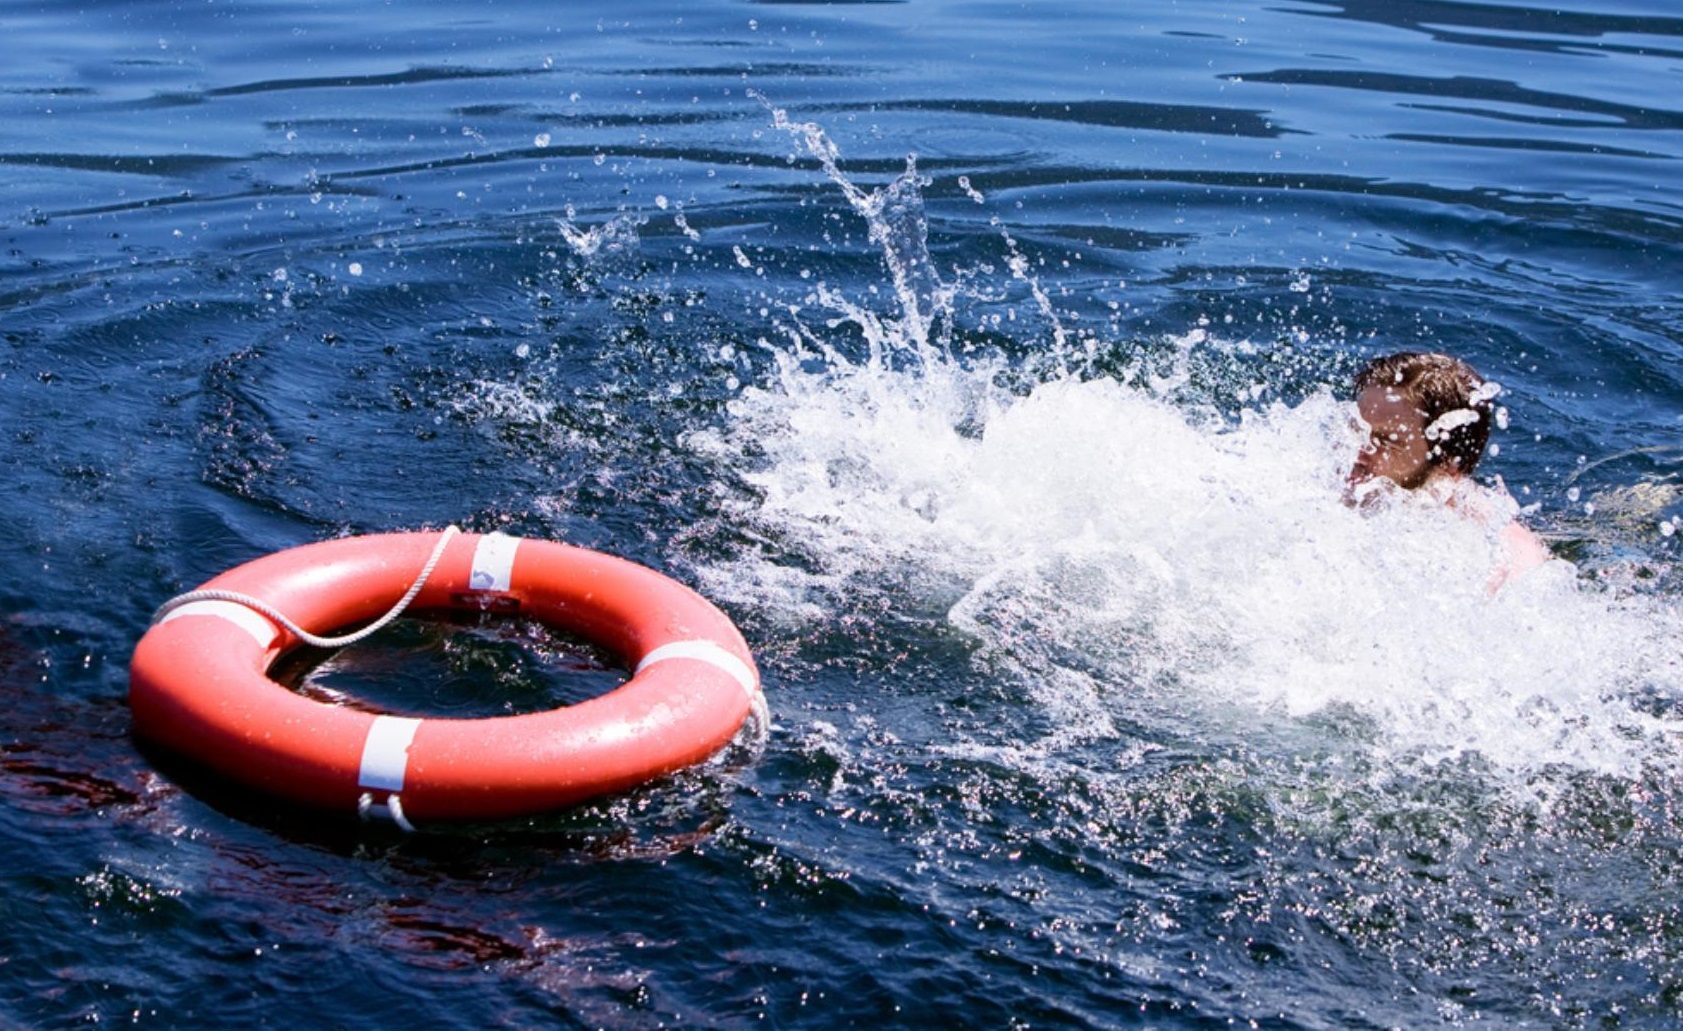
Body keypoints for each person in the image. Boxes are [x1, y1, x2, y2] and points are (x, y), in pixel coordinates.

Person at [1345, 351, 1551, 591]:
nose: (1358, 449)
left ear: (1447, 464)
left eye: (1387, 441)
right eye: (1356, 429)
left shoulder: (1497, 557)